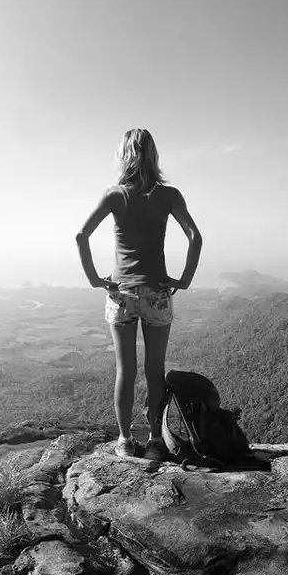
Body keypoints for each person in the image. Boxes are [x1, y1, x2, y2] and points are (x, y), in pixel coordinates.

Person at [75, 128, 202, 460]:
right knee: (154, 370)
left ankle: (124, 441)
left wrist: (93, 278)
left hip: (122, 294)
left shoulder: (115, 195)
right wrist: (185, 279)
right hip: (158, 293)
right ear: (154, 156)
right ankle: (156, 444)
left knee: (125, 372)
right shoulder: (169, 194)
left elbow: (81, 235)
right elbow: (195, 237)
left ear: (124, 156)